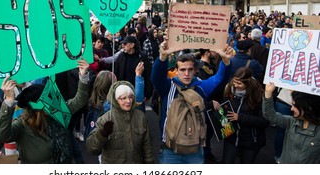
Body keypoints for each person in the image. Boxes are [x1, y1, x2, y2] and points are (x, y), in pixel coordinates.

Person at [151, 36, 233, 164]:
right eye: (182, 70)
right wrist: (162, 57)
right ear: (176, 71)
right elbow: (156, 77)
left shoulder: (201, 87)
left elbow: (219, 80)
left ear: (195, 71)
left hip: (195, 150)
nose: (186, 74)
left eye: (190, 70)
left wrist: (226, 62)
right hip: (170, 150)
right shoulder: (168, 87)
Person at [0, 59, 90, 164]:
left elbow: (80, 100)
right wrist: (8, 103)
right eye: (48, 98)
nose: (53, 100)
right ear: (38, 108)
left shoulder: (57, 111)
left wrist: (83, 75)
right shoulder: (22, 125)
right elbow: (1, 136)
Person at [86, 80, 154, 163]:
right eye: (123, 98)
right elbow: (91, 149)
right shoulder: (105, 119)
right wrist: (102, 134)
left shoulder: (141, 117)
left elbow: (147, 147)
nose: (128, 101)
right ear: (115, 100)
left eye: (131, 97)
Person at [219, 67, 269, 164]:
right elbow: (224, 107)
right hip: (231, 138)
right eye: (234, 82)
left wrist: (240, 117)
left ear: (248, 84)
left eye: (239, 83)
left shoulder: (258, 96)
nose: (235, 85)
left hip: (251, 141)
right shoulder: (229, 89)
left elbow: (265, 121)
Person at [264, 83, 320, 163]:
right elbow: (270, 116)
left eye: (294, 105)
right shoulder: (291, 121)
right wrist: (268, 93)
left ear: (307, 108)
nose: (291, 109)